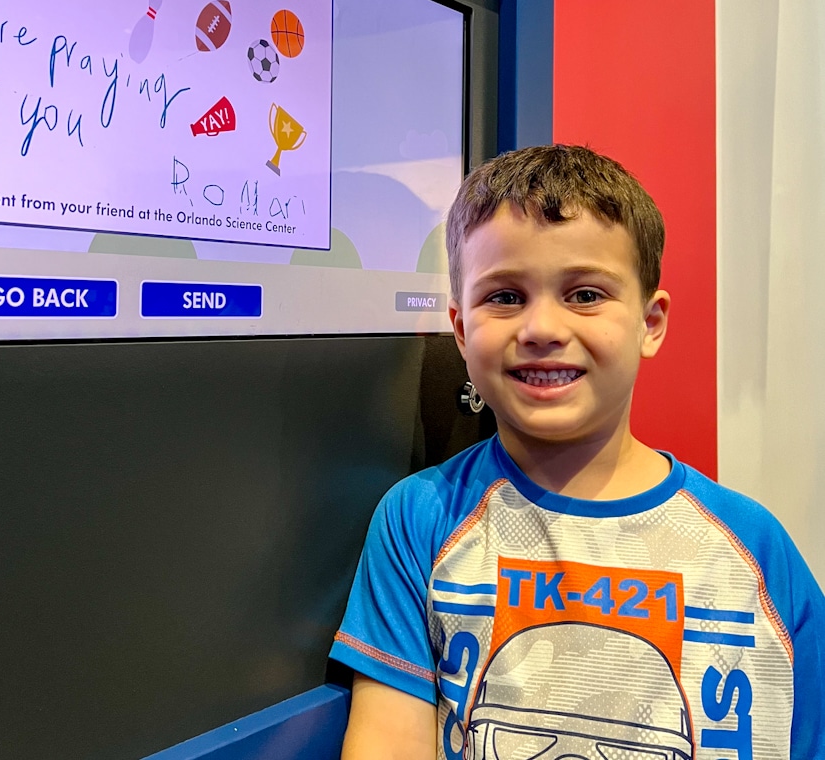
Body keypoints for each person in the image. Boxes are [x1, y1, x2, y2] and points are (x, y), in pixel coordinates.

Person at [329, 144, 825, 760]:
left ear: (651, 322)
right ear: (460, 330)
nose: (541, 328)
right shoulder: (418, 520)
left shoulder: (755, 552)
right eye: (505, 296)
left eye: (586, 294)